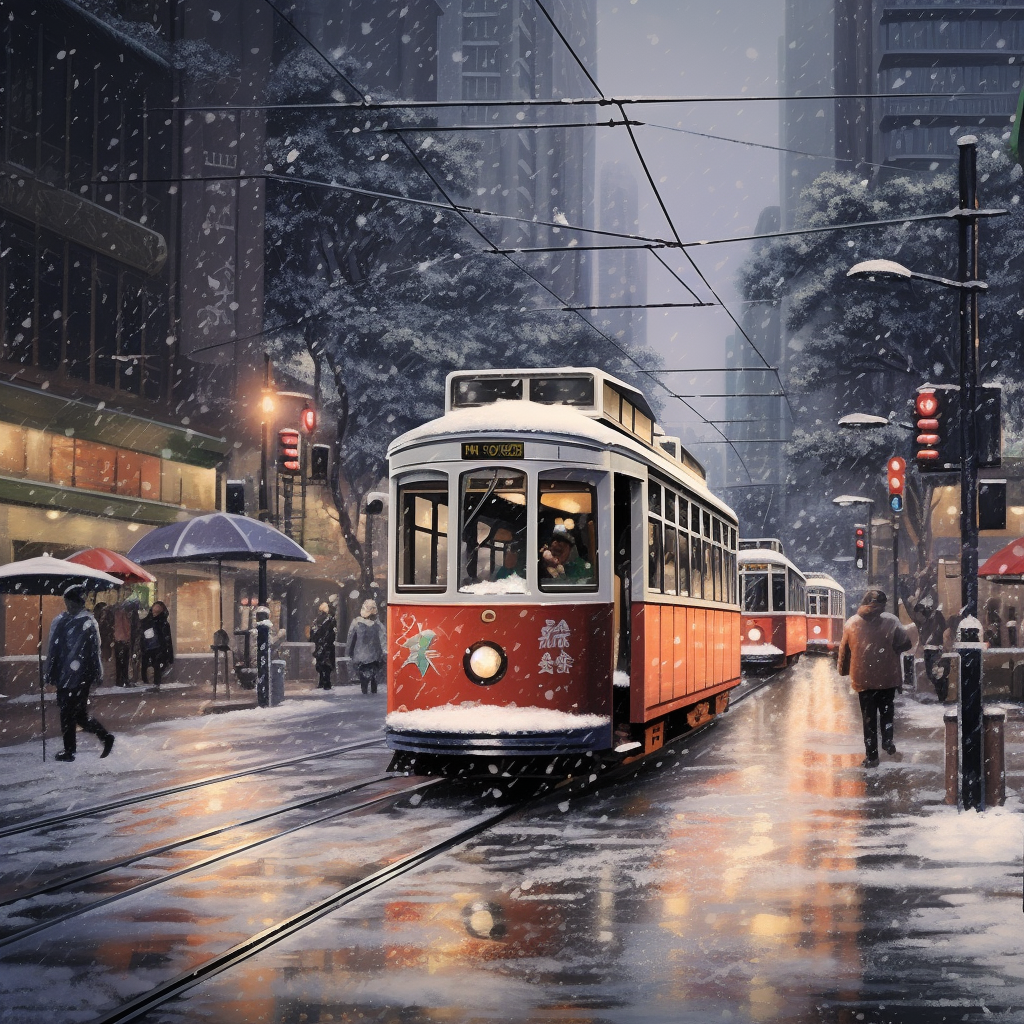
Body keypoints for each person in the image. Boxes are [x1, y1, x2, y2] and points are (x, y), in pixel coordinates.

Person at [837, 589, 913, 768]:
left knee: (868, 718)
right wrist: (889, 648)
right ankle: (887, 741)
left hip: (863, 680)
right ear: (883, 604)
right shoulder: (892, 622)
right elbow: (906, 643)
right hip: (887, 678)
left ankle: (872, 756)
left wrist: (843, 670)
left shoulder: (851, 623)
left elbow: (844, 652)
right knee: (887, 713)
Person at [47, 584, 114, 762]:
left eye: (71, 601)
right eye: (67, 601)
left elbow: (94, 651)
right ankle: (72, 749)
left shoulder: (87, 622)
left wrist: (96, 672)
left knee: (77, 715)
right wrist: (50, 672)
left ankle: (101, 738)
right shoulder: (61, 621)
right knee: (68, 714)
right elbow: (53, 649)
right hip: (65, 675)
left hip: (80, 676)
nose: (68, 605)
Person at [346, 599, 386, 694]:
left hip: (360, 655)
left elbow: (351, 639)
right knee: (374, 677)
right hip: (375, 655)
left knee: (363, 677)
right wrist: (384, 653)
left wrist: (349, 652)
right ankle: (373, 692)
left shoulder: (356, 622)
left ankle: (364, 691)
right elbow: (383, 639)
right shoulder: (378, 624)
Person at [139, 600, 174, 688]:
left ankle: (154, 683)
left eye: (157, 611)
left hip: (156, 648)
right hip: (150, 648)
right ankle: (149, 682)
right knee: (149, 665)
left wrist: (169, 654)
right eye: (154, 610)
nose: (155, 613)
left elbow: (167, 639)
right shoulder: (150, 622)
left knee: (156, 666)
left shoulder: (162, 623)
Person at [311, 603, 337, 690]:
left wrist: (318, 640)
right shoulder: (331, 620)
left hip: (319, 645)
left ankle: (322, 681)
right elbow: (332, 633)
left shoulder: (317, 620)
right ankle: (327, 682)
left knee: (321, 663)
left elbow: (313, 633)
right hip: (328, 645)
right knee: (327, 664)